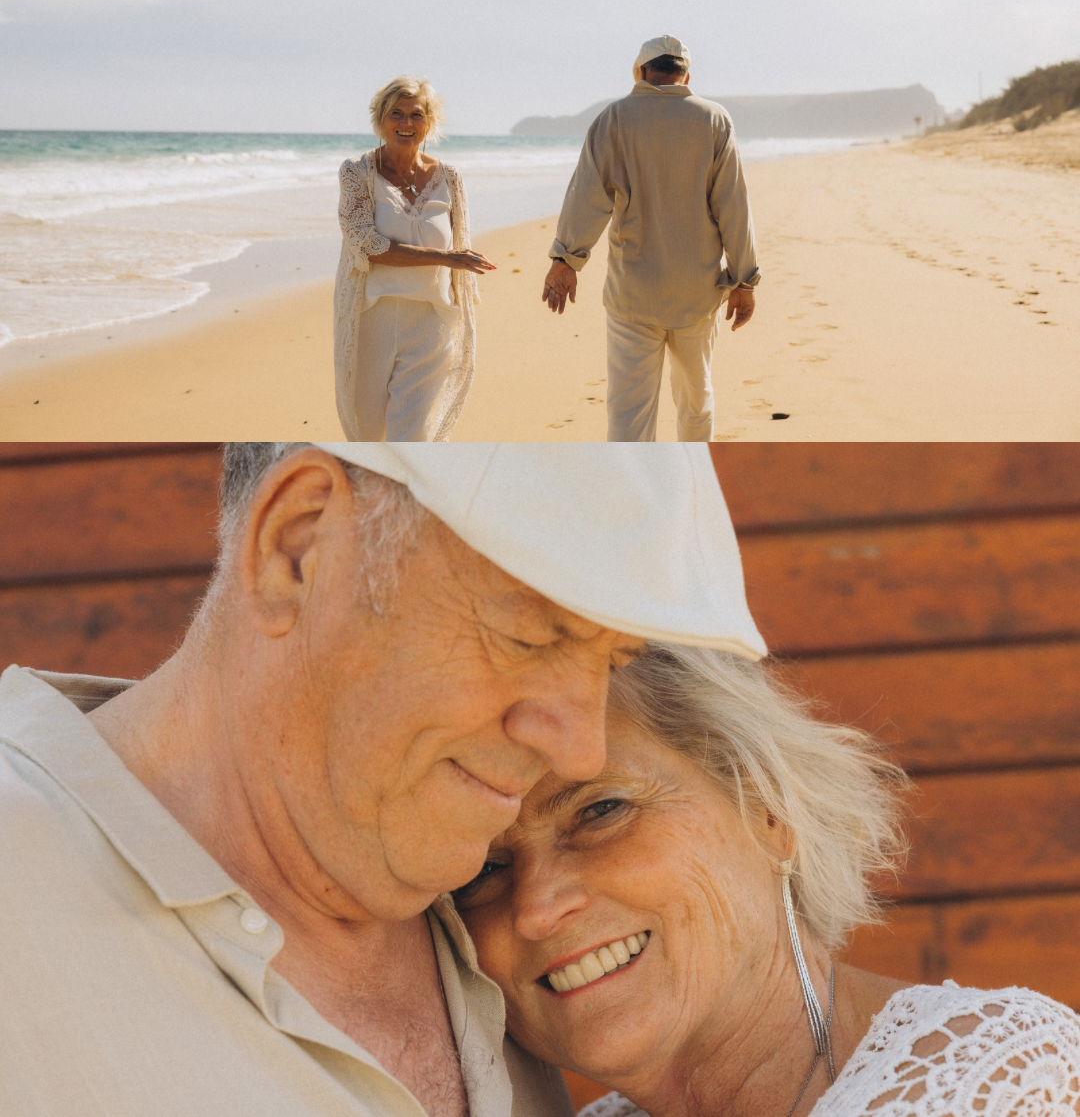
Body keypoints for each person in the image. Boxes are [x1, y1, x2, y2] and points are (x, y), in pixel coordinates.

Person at [0, 441, 768, 1117]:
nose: (579, 747)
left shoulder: (495, 921)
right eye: (529, 636)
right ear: (296, 548)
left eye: (609, 662)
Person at [456, 642, 1080, 1117]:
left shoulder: (994, 1083)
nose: (536, 908)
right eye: (485, 868)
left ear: (768, 811)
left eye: (600, 810)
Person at [542, 35, 761, 442]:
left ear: (642, 72)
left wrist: (565, 261)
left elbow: (588, 196)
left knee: (628, 412)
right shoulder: (714, 119)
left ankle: (633, 496)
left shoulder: (615, 118)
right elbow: (734, 205)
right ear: (686, 75)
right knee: (696, 401)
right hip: (697, 290)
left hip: (634, 291)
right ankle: (693, 482)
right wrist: (744, 280)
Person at [334, 77, 497, 440]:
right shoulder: (356, 173)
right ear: (380, 119)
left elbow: (460, 242)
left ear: (429, 123)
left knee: (412, 439)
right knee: (368, 437)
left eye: (416, 115)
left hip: (431, 322)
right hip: (371, 320)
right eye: (396, 114)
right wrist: (446, 257)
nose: (406, 124)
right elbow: (367, 244)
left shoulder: (448, 177)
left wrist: (455, 266)